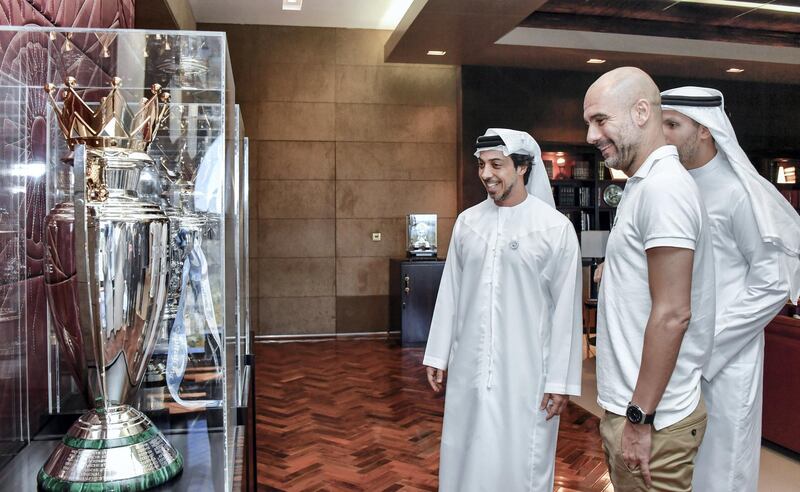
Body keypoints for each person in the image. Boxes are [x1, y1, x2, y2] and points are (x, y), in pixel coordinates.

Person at [423, 128, 582, 491]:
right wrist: (437, 354)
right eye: (481, 165)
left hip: (528, 375)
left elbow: (566, 314)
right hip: (469, 368)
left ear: (523, 167)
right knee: (464, 452)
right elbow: (451, 292)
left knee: (522, 460)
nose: (486, 174)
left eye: (497, 164)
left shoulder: (555, 228)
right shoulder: (468, 223)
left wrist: (560, 380)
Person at [661, 86, 800, 492]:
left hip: (727, 358)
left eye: (673, 124)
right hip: (677, 353)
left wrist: (709, 344)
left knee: (723, 470)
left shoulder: (740, 192)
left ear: (705, 130)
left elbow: (773, 282)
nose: (663, 134)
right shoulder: (673, 186)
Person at [583, 67, 715, 491]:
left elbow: (674, 313)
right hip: (637, 410)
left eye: (600, 120)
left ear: (642, 112)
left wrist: (640, 418)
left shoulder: (664, 189)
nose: (590, 135)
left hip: (655, 419)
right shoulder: (643, 184)